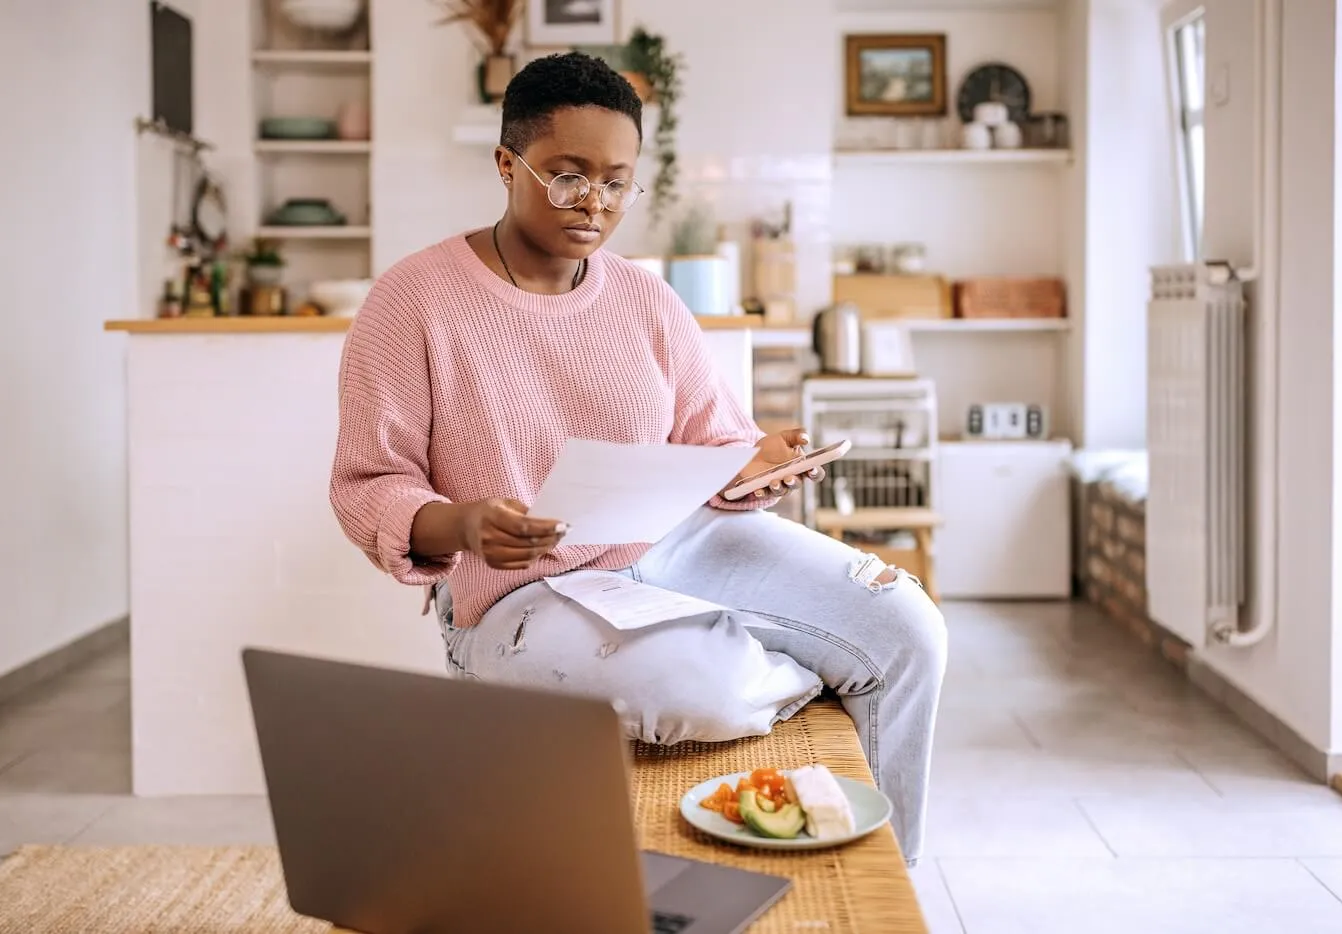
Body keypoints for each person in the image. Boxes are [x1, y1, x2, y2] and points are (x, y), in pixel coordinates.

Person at [328, 51, 947, 863]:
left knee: (908, 629)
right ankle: (805, 665)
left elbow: (710, 441)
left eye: (617, 182)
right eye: (567, 176)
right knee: (698, 689)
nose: (595, 202)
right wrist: (462, 525)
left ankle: (881, 883)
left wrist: (755, 464)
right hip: (521, 592)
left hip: (678, 549)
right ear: (507, 164)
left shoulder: (646, 298)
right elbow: (367, 484)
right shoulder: (413, 300)